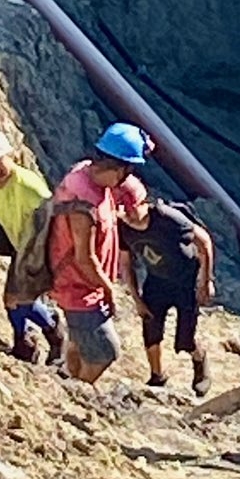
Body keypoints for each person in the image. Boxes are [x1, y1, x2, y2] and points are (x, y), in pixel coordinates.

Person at [46, 123, 150, 384]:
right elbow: (84, 257)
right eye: (128, 172)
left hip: (78, 285)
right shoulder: (83, 205)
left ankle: (68, 379)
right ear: (119, 168)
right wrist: (108, 289)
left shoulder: (85, 174)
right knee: (105, 352)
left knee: (81, 342)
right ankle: (77, 390)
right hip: (79, 289)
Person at [0, 127, 62, 365]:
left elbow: (49, 223)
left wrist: (38, 266)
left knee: (16, 298)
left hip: (38, 250)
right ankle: (29, 339)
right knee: (17, 300)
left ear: (10, 156)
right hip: (19, 245)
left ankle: (46, 332)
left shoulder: (30, 187)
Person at [121, 195, 217, 395]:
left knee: (185, 339)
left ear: (143, 204)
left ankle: (199, 359)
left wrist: (205, 281)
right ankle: (157, 375)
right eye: (124, 210)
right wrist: (136, 299)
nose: (129, 215)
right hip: (156, 280)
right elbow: (125, 263)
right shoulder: (123, 228)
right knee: (150, 327)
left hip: (185, 281)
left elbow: (204, 242)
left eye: (132, 209)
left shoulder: (167, 218)